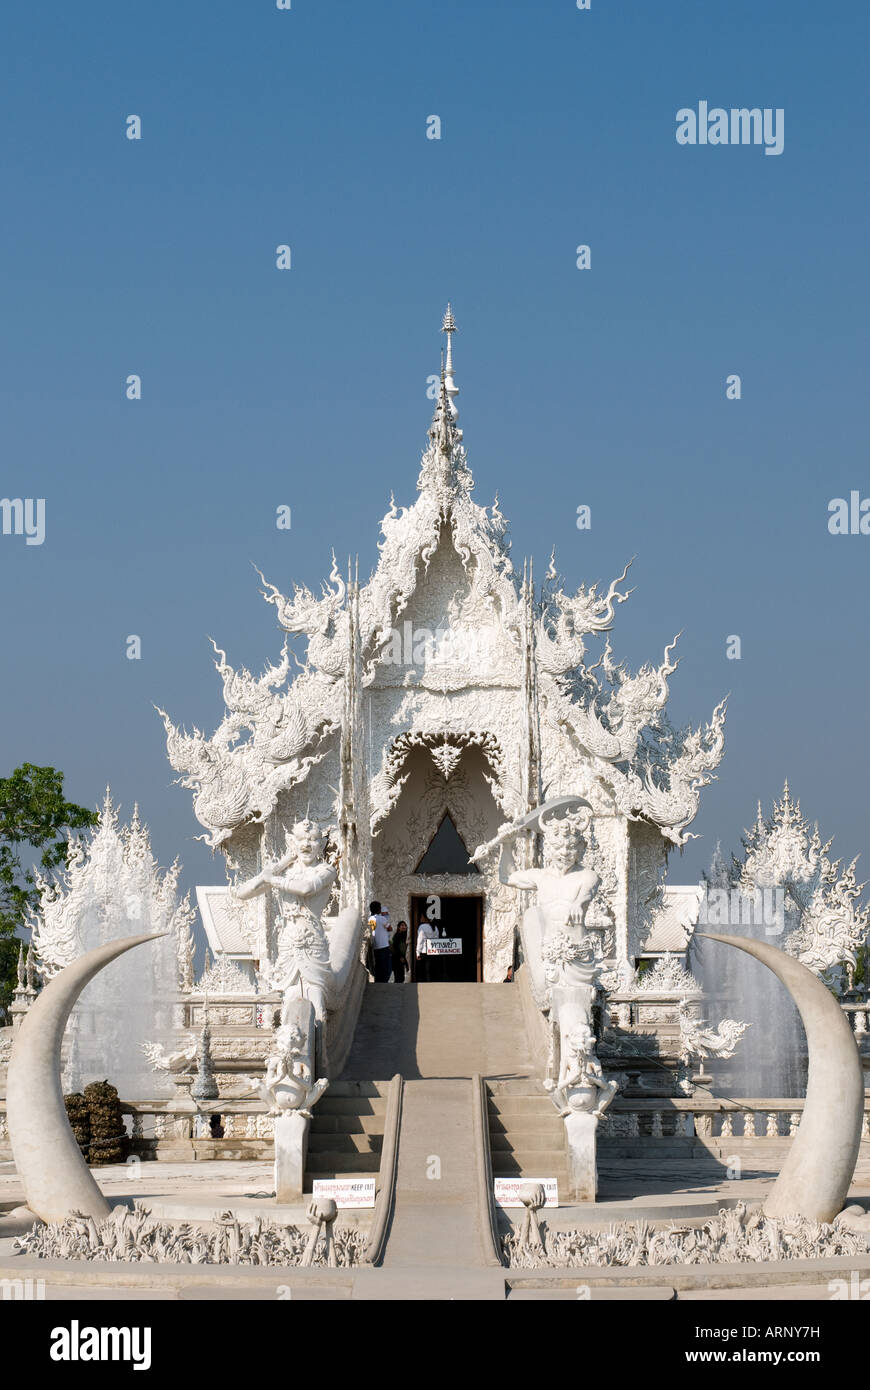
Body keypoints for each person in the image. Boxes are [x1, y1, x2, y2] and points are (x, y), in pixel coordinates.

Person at [368, 900, 393, 983]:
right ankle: (384, 983)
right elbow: (390, 928)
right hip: (384, 946)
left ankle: (378, 982)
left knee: (379, 966)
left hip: (375, 946)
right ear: (378, 909)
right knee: (387, 967)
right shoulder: (381, 918)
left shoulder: (370, 919)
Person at [415, 914, 440, 982]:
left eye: (422, 917)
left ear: (425, 918)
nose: (420, 918)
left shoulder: (422, 926)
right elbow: (437, 939)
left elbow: (420, 940)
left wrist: (417, 953)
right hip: (433, 951)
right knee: (432, 969)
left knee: (424, 970)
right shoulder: (435, 927)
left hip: (424, 951)